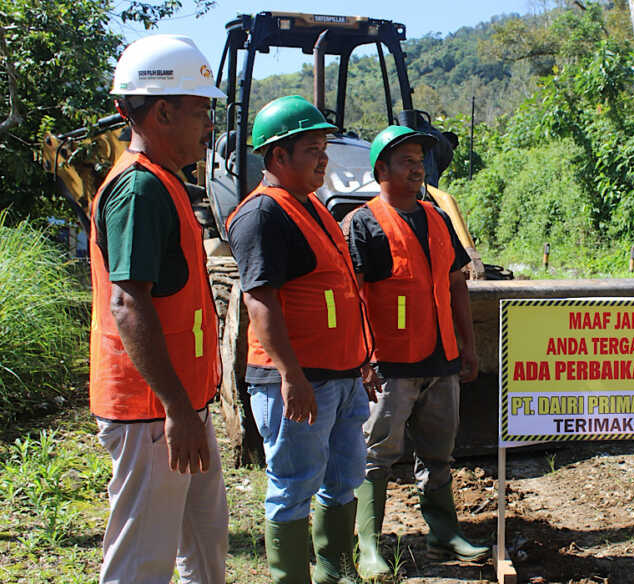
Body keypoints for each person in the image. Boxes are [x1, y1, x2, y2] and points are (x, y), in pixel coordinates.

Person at [89, 35, 228, 584]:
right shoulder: (140, 191)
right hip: (153, 410)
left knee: (204, 543)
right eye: (200, 110)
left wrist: (187, 408)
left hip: (180, 404)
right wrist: (174, 409)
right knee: (142, 562)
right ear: (163, 111)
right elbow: (128, 303)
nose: (207, 125)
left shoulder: (166, 184)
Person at [226, 95, 376, 584]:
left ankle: (336, 568)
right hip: (296, 380)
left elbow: (341, 291)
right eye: (312, 149)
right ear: (277, 157)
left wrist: (362, 358)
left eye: (323, 147)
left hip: (340, 374)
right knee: (292, 485)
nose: (324, 158)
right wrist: (292, 377)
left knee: (343, 477)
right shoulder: (263, 215)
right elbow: (260, 302)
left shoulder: (311, 206)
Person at [344, 125, 487, 580]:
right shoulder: (362, 223)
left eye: (419, 159)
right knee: (375, 456)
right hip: (390, 363)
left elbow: (455, 284)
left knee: (440, 453)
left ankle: (443, 532)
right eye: (406, 160)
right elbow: (354, 297)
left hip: (441, 358)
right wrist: (363, 357)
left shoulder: (437, 217)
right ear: (380, 169)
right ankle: (369, 545)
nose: (417, 167)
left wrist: (467, 345)